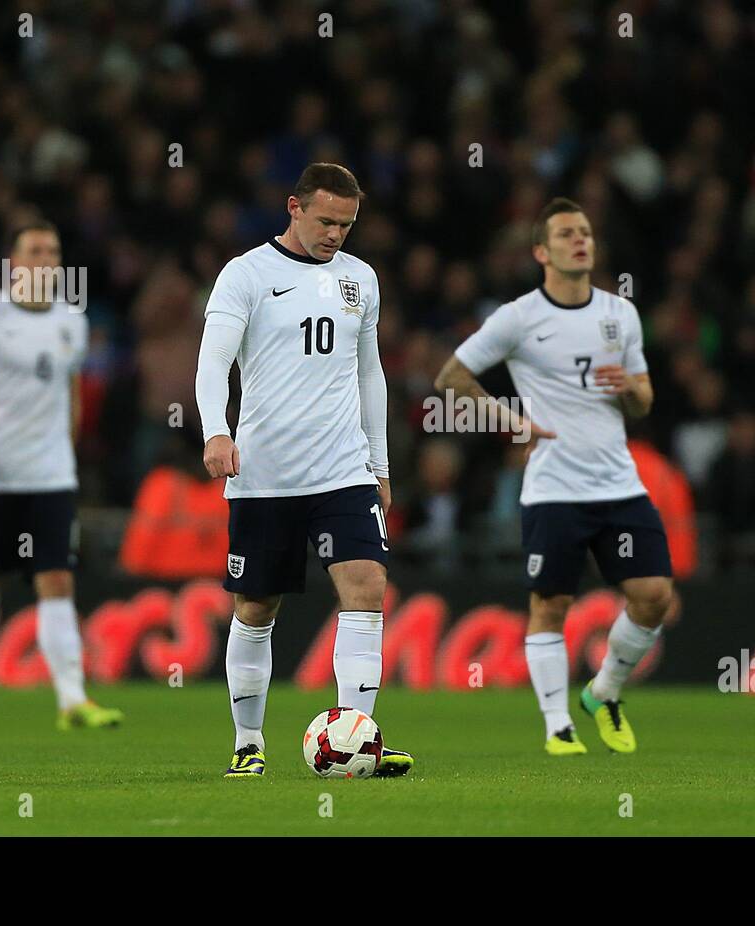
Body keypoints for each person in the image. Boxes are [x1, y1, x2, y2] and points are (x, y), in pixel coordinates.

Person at [194, 163, 413, 778]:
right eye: (325, 221)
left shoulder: (361, 280)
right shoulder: (246, 275)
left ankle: (358, 736)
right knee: (256, 607)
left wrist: (380, 461)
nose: (336, 234)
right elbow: (213, 363)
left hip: (343, 468)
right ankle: (248, 740)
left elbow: (372, 375)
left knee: (367, 586)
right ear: (293, 207)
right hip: (266, 473)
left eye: (346, 224)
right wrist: (216, 428)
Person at [434, 197, 674, 755]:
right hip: (554, 490)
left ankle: (605, 691)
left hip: (618, 483)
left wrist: (632, 391)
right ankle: (557, 726)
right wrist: (511, 420)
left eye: (585, 231)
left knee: (654, 595)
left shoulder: (620, 314)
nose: (580, 240)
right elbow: (451, 375)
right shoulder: (519, 317)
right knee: (551, 605)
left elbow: (644, 400)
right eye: (566, 233)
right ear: (542, 250)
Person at [0, 220, 123, 731]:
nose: (46, 259)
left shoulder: (70, 321)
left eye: (53, 250)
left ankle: (72, 701)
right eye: (35, 250)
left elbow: (70, 396)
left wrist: (62, 456)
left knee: (57, 579)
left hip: (50, 478)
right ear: (13, 262)